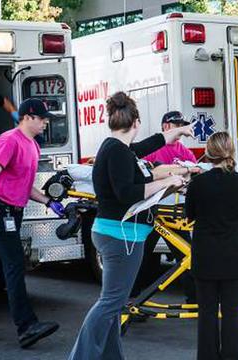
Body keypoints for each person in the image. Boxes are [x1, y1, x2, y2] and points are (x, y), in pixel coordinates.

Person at [68, 92, 192, 360]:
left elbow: (150, 144)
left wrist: (179, 131)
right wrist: (166, 182)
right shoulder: (118, 152)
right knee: (111, 302)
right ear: (136, 122)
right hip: (120, 237)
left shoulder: (118, 148)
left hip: (117, 234)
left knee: (114, 303)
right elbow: (128, 193)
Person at [0, 98, 64, 348]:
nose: (46, 123)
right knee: (13, 264)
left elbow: (23, 184)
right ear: (28, 117)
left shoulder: (32, 146)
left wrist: (48, 202)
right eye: (43, 118)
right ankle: (27, 326)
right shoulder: (8, 140)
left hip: (13, 212)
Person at [185, 131, 238, 360]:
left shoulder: (197, 184)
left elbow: (190, 215)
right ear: (231, 152)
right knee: (231, 312)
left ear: (208, 154)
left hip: (205, 255)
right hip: (234, 255)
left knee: (206, 313)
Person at [132, 110, 199, 304]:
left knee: (187, 254)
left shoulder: (185, 152)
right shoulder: (153, 149)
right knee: (142, 256)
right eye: (178, 125)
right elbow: (147, 173)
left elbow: (194, 174)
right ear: (166, 127)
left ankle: (194, 299)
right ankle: (133, 299)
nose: (181, 129)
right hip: (153, 209)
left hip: (175, 213)